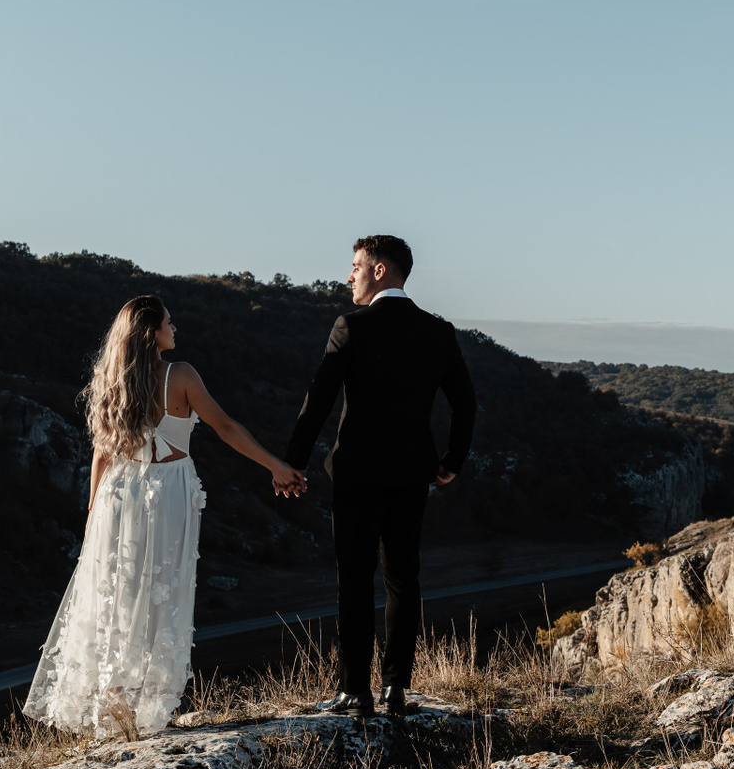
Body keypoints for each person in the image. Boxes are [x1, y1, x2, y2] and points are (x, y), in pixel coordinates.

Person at [25, 294, 306, 739]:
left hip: (118, 491)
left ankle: (119, 705)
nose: (175, 329)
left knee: (117, 592)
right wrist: (275, 465)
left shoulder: (111, 378)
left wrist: (93, 509)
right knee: (162, 589)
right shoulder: (181, 375)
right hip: (168, 490)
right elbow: (226, 427)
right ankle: (144, 707)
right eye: (168, 323)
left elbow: (101, 452)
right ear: (150, 332)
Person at [285, 235, 476, 718]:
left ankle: (355, 690)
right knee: (403, 578)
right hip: (412, 472)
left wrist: (293, 462)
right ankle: (396, 689)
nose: (349, 275)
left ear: (379, 270)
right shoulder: (438, 330)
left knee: (354, 578)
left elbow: (318, 400)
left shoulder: (351, 326)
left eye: (356, 266)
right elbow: (465, 402)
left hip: (357, 472)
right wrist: (452, 460)